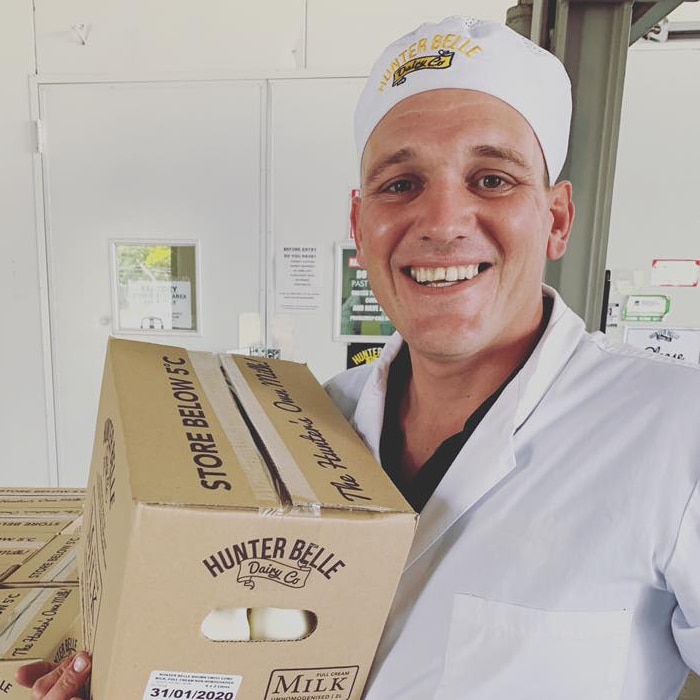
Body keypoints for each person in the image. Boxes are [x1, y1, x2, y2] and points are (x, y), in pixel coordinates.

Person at [19, 16, 700, 700]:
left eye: (491, 179)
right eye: (401, 184)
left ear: (555, 219)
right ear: (359, 223)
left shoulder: (674, 429)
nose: (441, 220)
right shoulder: (308, 421)